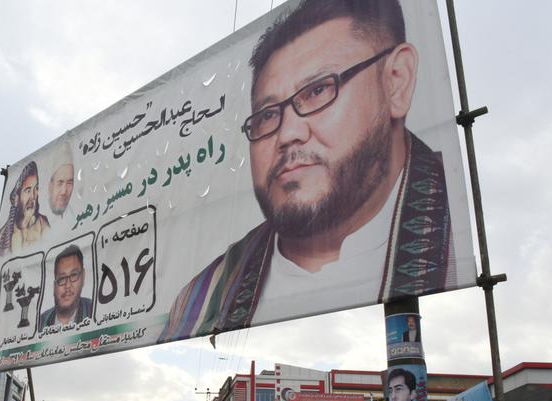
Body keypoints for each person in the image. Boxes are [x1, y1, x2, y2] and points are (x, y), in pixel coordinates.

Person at [159, 0, 455, 343]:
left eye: (318, 91)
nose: (288, 134)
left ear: (396, 82)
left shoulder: (456, 225)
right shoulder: (198, 301)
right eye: (268, 115)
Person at [0, 161, 50, 255]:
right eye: (28, 190)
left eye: (36, 188)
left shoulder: (43, 224)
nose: (33, 196)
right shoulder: (4, 234)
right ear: (17, 197)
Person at [38, 245, 93, 331]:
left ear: (83, 277)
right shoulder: (40, 323)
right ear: (54, 286)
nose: (67, 286)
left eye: (73, 275)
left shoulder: (94, 311)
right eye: (62, 278)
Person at [47, 144, 75, 218]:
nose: (64, 191)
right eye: (60, 183)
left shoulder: (73, 215)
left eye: (69, 183)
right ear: (50, 186)